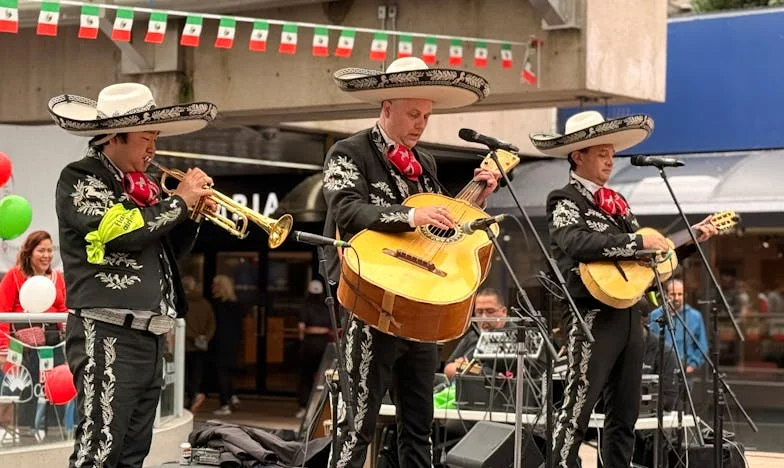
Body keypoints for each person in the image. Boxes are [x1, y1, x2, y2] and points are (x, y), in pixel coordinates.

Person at [322, 56, 498, 468]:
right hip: (372, 299)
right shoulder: (348, 152)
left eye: (426, 115)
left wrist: (476, 201)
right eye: (413, 113)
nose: (421, 123)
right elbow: (347, 211)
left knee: (419, 424)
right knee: (358, 422)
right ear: (386, 108)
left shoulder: (426, 165)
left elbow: (442, 228)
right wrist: (410, 215)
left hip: (421, 304)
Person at [530, 110, 718, 467]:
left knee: (625, 415)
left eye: (611, 154)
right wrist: (635, 241)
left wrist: (692, 241)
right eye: (601, 153)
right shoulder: (564, 199)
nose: (609, 160)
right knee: (577, 408)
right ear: (577, 156)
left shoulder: (618, 205)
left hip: (631, 315)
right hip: (592, 315)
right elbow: (574, 242)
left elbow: (645, 264)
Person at [52, 82, 217, 467]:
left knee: (132, 454)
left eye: (155, 137)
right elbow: (120, 232)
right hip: (106, 331)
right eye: (146, 137)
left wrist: (191, 215)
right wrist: (180, 201)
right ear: (115, 136)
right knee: (99, 451)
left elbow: (167, 251)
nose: (153, 148)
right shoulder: (80, 177)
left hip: (150, 336)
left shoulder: (146, 191)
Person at [0, 230, 68, 436]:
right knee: (26, 394)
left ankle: (56, 438)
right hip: (23, 349)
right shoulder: (14, 276)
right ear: (29, 252)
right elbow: (2, 312)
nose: (47, 255)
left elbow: (63, 309)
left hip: (53, 346)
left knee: (56, 392)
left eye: (50, 250)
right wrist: (3, 349)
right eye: (41, 250)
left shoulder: (57, 279)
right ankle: (25, 439)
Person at [443, 288, 509, 380]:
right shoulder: (472, 336)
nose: (484, 317)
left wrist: (467, 368)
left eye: (490, 312)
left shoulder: (517, 337)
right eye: (479, 312)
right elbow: (448, 368)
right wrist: (475, 371)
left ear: (504, 312)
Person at [648, 279, 709, 374]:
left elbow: (702, 346)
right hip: (660, 371)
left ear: (685, 295)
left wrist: (692, 366)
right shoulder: (655, 315)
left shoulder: (695, 316)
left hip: (684, 372)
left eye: (680, 294)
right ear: (666, 295)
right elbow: (650, 345)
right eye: (673, 294)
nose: (676, 298)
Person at [296, 279, 332, 419]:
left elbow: (301, 327)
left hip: (309, 342)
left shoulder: (305, 306)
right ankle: (320, 407)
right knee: (323, 376)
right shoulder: (327, 306)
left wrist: (301, 339)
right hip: (324, 342)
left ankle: (303, 407)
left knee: (305, 375)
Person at [209, 274, 244, 416]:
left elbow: (213, 325)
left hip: (220, 342)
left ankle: (224, 404)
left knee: (221, 373)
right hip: (233, 342)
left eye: (214, 284)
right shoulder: (236, 305)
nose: (212, 287)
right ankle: (233, 396)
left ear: (220, 287)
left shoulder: (216, 304)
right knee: (228, 372)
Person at [182, 275, 215, 414]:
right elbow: (212, 323)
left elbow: (180, 323)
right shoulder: (205, 303)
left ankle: (189, 400)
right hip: (200, 346)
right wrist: (205, 337)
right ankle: (195, 395)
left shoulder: (181, 303)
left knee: (185, 374)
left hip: (185, 345)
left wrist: (192, 337)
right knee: (197, 373)